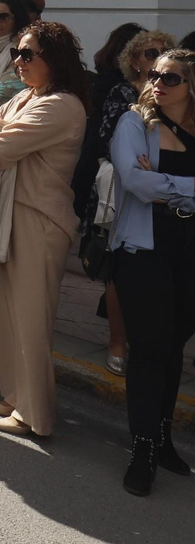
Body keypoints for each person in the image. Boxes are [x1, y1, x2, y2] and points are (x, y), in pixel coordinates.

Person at [0, 20, 88, 438]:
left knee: (31, 318)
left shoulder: (62, 104)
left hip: (39, 220)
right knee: (6, 313)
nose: (18, 61)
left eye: (27, 54)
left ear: (53, 58)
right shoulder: (27, 97)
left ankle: (36, 416)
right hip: (8, 214)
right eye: (17, 52)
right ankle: (15, 396)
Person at [108, 48, 195, 496]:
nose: (158, 83)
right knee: (148, 347)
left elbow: (153, 186)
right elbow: (136, 182)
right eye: (155, 75)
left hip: (189, 251)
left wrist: (170, 191)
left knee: (175, 344)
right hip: (145, 250)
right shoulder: (134, 123)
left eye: (172, 78)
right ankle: (142, 445)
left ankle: (163, 439)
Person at [87, 26, 172, 375]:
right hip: (123, 195)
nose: (157, 60)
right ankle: (117, 342)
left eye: (164, 53)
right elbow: (108, 139)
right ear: (134, 61)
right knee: (119, 272)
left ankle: (147, 342)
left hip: (163, 195)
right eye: (150, 54)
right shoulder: (123, 92)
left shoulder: (178, 94)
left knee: (157, 273)